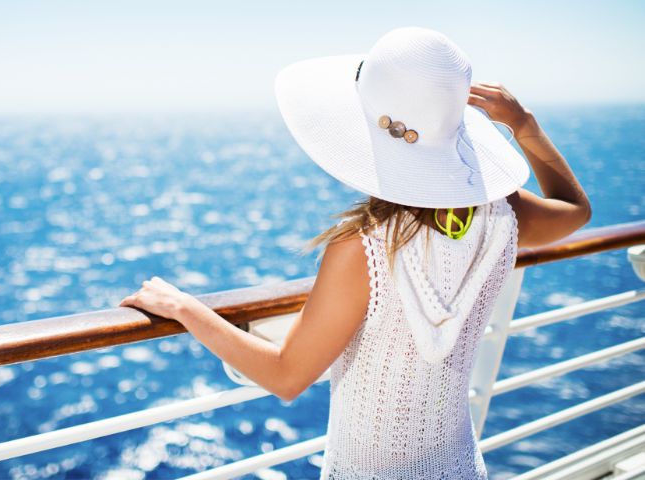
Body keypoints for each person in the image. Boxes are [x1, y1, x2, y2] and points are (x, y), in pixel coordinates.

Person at [119, 27, 591, 479]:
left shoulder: (364, 248)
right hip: (459, 467)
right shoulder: (502, 214)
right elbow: (574, 210)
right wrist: (524, 124)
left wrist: (186, 309)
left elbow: (286, 376)